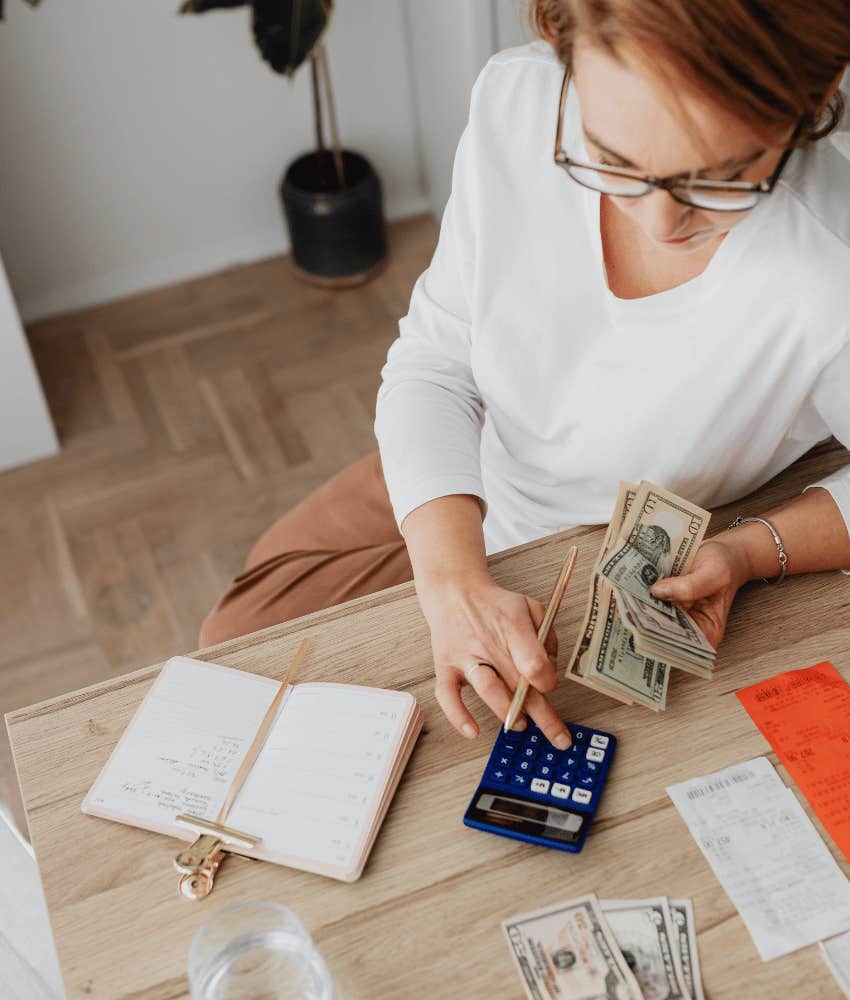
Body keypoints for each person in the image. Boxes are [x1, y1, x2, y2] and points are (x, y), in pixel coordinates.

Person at [200, 0, 850, 752]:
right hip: (470, 460)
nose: (659, 221)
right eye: (610, 158)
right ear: (562, 47)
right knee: (230, 638)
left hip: (577, 555)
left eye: (725, 178)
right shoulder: (519, 101)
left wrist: (749, 550)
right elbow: (436, 361)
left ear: (807, 109)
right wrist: (450, 581)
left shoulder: (828, 266)